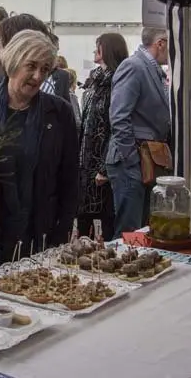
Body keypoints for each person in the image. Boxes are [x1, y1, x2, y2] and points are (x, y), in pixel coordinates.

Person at [0, 29, 78, 262]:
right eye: (31, 66)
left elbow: (71, 177)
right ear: (13, 61)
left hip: (41, 234)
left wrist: (62, 232)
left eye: (45, 69)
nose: (38, 76)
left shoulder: (59, 112)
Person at [106, 27, 171, 239]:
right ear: (160, 43)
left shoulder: (152, 70)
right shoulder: (134, 67)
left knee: (141, 230)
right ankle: (118, 271)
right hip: (132, 161)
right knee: (129, 232)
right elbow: (118, 116)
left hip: (147, 160)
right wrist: (131, 159)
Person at [77, 33, 129, 240]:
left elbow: (114, 126)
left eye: (97, 47)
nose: (94, 51)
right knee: (83, 216)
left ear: (106, 49)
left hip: (105, 161)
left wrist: (104, 168)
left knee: (107, 217)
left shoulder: (117, 81)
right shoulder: (96, 80)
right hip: (86, 160)